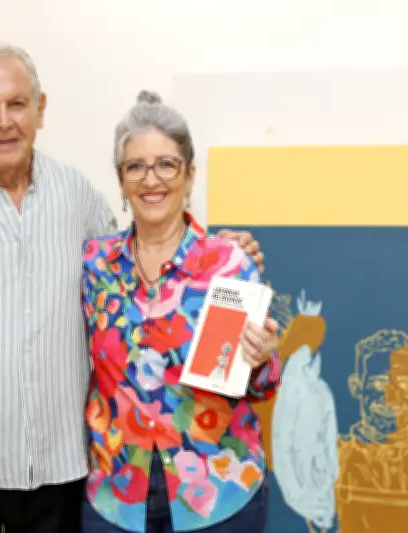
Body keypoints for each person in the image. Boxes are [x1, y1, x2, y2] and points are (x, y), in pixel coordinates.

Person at [0, 44, 267, 533]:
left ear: (41, 109)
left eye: (17, 104)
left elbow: (153, 240)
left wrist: (226, 251)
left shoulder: (79, 199)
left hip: (61, 473)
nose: (3, 121)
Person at [80, 90, 281, 533]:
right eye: (136, 166)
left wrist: (263, 356)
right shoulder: (94, 263)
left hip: (219, 497)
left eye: (166, 164)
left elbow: (263, 386)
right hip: (116, 498)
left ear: (189, 175)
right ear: (121, 179)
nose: (152, 180)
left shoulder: (230, 263)